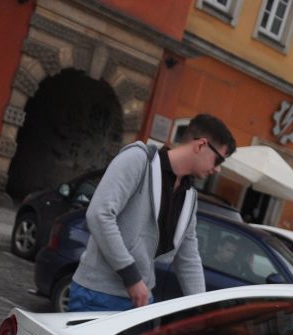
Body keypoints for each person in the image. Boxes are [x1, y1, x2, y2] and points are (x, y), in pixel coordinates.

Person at [68, 114, 236, 312]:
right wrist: (131, 277)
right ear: (200, 145)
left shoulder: (189, 195)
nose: (217, 169)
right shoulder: (138, 159)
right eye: (218, 160)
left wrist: (202, 311)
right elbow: (99, 214)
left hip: (141, 303)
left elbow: (188, 257)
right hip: (97, 294)